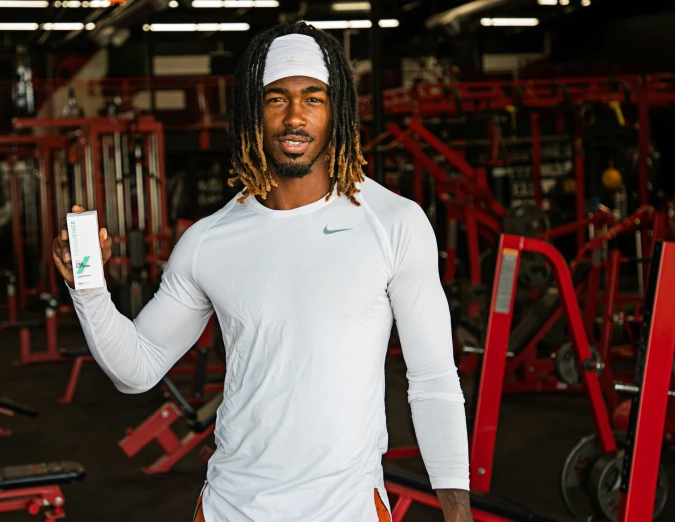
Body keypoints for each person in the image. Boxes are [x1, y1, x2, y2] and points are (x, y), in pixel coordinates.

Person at [53, 21, 471, 522]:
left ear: (336, 111)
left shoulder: (393, 223)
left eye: (313, 98)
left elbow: (433, 382)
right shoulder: (208, 241)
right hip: (233, 508)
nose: (296, 115)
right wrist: (89, 288)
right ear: (255, 110)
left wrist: (458, 513)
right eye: (277, 99)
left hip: (348, 510)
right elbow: (136, 371)